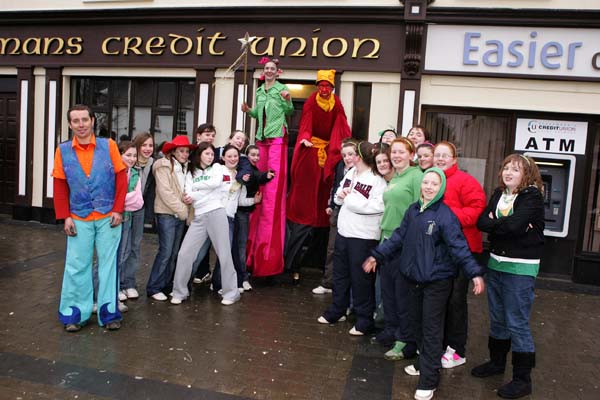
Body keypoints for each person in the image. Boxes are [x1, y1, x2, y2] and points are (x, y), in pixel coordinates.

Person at [364, 168, 485, 400]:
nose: (429, 187)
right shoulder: (413, 211)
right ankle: (424, 363)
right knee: (416, 325)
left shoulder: (445, 216)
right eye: (426, 182)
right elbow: (398, 237)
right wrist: (376, 256)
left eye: (434, 183)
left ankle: (429, 380)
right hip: (413, 279)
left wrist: (474, 273)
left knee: (431, 330)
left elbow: (459, 247)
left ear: (441, 188)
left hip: (437, 281)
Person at [473, 154, 544, 399]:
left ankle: (523, 380)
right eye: (506, 168)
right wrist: (504, 225)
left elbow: (513, 226)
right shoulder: (498, 194)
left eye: (515, 169)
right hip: (496, 264)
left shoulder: (532, 197)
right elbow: (481, 222)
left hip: (520, 269)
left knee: (517, 322)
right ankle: (496, 364)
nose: (508, 172)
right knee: (497, 319)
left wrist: (498, 224)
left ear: (527, 174)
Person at [53, 104, 127, 332]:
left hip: (108, 217)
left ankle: (108, 313)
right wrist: (64, 216)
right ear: (69, 124)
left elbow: (121, 178)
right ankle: (75, 314)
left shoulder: (109, 145)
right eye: (75, 121)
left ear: (93, 121)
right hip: (78, 216)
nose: (81, 125)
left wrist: (117, 209)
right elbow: (59, 185)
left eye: (84, 119)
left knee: (108, 265)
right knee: (76, 266)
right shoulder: (63, 150)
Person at [286, 69, 352, 284]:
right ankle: (291, 265)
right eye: (321, 86)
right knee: (305, 203)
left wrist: (340, 148)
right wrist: (304, 138)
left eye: (328, 86)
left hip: (329, 151)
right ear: (317, 87)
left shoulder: (337, 103)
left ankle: (318, 264)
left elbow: (341, 125)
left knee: (325, 202)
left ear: (332, 88)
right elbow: (305, 122)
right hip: (311, 150)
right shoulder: (311, 102)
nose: (324, 90)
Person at [318, 141, 386, 336]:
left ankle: (364, 320)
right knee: (340, 275)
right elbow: (338, 196)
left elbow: (376, 207)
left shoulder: (377, 180)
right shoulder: (350, 173)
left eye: (353, 154)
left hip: (364, 236)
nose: (349, 158)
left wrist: (349, 199)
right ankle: (337, 310)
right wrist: (342, 197)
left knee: (361, 279)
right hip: (344, 232)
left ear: (361, 156)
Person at [432, 141, 487, 370]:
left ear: (455, 159)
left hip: (463, 250)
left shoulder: (465, 181)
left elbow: (477, 209)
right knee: (439, 299)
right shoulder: (431, 179)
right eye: (438, 155)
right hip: (438, 250)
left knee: (456, 301)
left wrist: (447, 217)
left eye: (445, 155)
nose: (441, 159)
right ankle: (440, 345)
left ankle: (457, 350)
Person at [241, 57, 294, 278]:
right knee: (258, 183)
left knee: (272, 189)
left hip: (277, 140)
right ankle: (251, 255)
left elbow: (289, 112)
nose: (269, 71)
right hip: (261, 138)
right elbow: (258, 115)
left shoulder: (283, 90)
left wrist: (288, 100)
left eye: (272, 68)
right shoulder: (260, 90)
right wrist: (249, 110)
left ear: (278, 71)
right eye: (266, 68)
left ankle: (269, 257)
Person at [171, 142, 241, 306]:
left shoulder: (218, 168)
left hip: (217, 213)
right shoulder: (191, 172)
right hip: (199, 216)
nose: (210, 156)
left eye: (211, 154)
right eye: (207, 153)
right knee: (184, 254)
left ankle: (232, 292)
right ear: (199, 154)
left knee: (224, 254)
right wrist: (202, 192)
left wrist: (197, 190)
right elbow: (188, 194)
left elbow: (216, 184)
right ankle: (180, 291)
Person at [376, 137, 423, 359]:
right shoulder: (395, 177)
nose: (396, 156)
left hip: (402, 243)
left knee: (402, 295)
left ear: (411, 154)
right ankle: (392, 331)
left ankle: (404, 340)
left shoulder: (416, 177)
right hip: (386, 241)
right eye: (393, 152)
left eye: (401, 152)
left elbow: (418, 212)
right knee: (389, 292)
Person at [146, 135, 196, 301]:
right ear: (173, 151)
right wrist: (182, 210)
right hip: (167, 213)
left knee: (174, 252)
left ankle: (167, 285)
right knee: (166, 252)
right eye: (181, 151)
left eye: (187, 151)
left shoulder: (185, 167)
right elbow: (165, 192)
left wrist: (187, 204)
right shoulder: (163, 166)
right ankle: (154, 287)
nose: (185, 154)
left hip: (179, 214)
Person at [312, 139, 358, 295]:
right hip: (338, 210)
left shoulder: (362, 172)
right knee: (332, 248)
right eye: (344, 155)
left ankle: (347, 287)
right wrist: (331, 205)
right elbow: (335, 186)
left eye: (351, 154)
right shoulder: (340, 166)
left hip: (354, 213)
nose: (347, 158)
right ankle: (328, 282)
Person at [118, 132, 155, 300]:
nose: (148, 149)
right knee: (122, 248)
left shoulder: (153, 164)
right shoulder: (127, 164)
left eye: (151, 145)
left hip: (139, 209)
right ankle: (117, 284)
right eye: (144, 145)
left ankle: (129, 283)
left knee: (135, 246)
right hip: (123, 209)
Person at [235, 145, 274, 291]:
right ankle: (242, 278)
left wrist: (265, 177)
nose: (256, 158)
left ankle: (240, 277)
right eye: (253, 155)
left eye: (258, 155)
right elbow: (253, 176)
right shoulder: (246, 166)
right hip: (241, 212)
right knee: (240, 245)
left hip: (243, 211)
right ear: (246, 155)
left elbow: (256, 177)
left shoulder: (251, 167)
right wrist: (264, 176)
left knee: (239, 245)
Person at [116, 141, 145, 304]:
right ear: (119, 154)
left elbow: (137, 201)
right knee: (119, 253)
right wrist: (123, 199)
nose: (132, 158)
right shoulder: (114, 172)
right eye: (128, 155)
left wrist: (123, 199)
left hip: (128, 216)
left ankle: (123, 284)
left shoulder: (134, 173)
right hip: (117, 218)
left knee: (129, 250)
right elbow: (118, 197)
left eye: (134, 155)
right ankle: (115, 286)